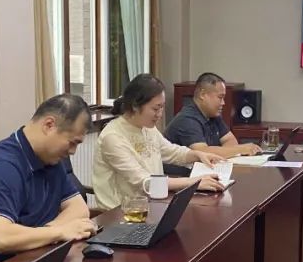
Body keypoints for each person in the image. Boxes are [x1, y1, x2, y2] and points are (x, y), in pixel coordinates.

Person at [0, 94, 97, 262]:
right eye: (72, 142)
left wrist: (48, 233)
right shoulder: (1, 166)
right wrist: (60, 232)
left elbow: (79, 208)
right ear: (49, 125)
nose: (73, 151)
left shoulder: (50, 159)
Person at [93, 73, 225, 210]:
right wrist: (193, 182)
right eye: (156, 109)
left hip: (152, 205)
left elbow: (171, 151)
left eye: (162, 107)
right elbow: (145, 182)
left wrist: (197, 155)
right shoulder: (113, 137)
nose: (160, 114)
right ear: (135, 106)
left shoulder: (146, 127)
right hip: (121, 213)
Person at [165, 72, 261, 158]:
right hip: (182, 172)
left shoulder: (213, 114)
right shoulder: (187, 119)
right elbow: (202, 152)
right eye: (220, 97)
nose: (223, 103)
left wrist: (224, 152)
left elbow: (230, 140)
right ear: (202, 94)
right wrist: (240, 149)